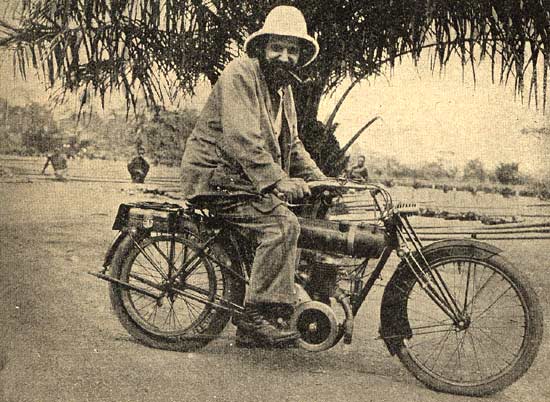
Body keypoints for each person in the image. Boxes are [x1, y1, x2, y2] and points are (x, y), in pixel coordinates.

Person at [180, 6, 326, 346]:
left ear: (300, 56)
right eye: (277, 47)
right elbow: (242, 137)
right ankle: (253, 315)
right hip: (215, 179)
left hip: (242, 182)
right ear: (262, 48)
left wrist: (321, 180)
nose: (284, 57)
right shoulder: (240, 73)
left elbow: (294, 144)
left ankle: (279, 304)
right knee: (281, 226)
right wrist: (278, 180)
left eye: (292, 50)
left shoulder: (283, 91)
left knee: (308, 221)